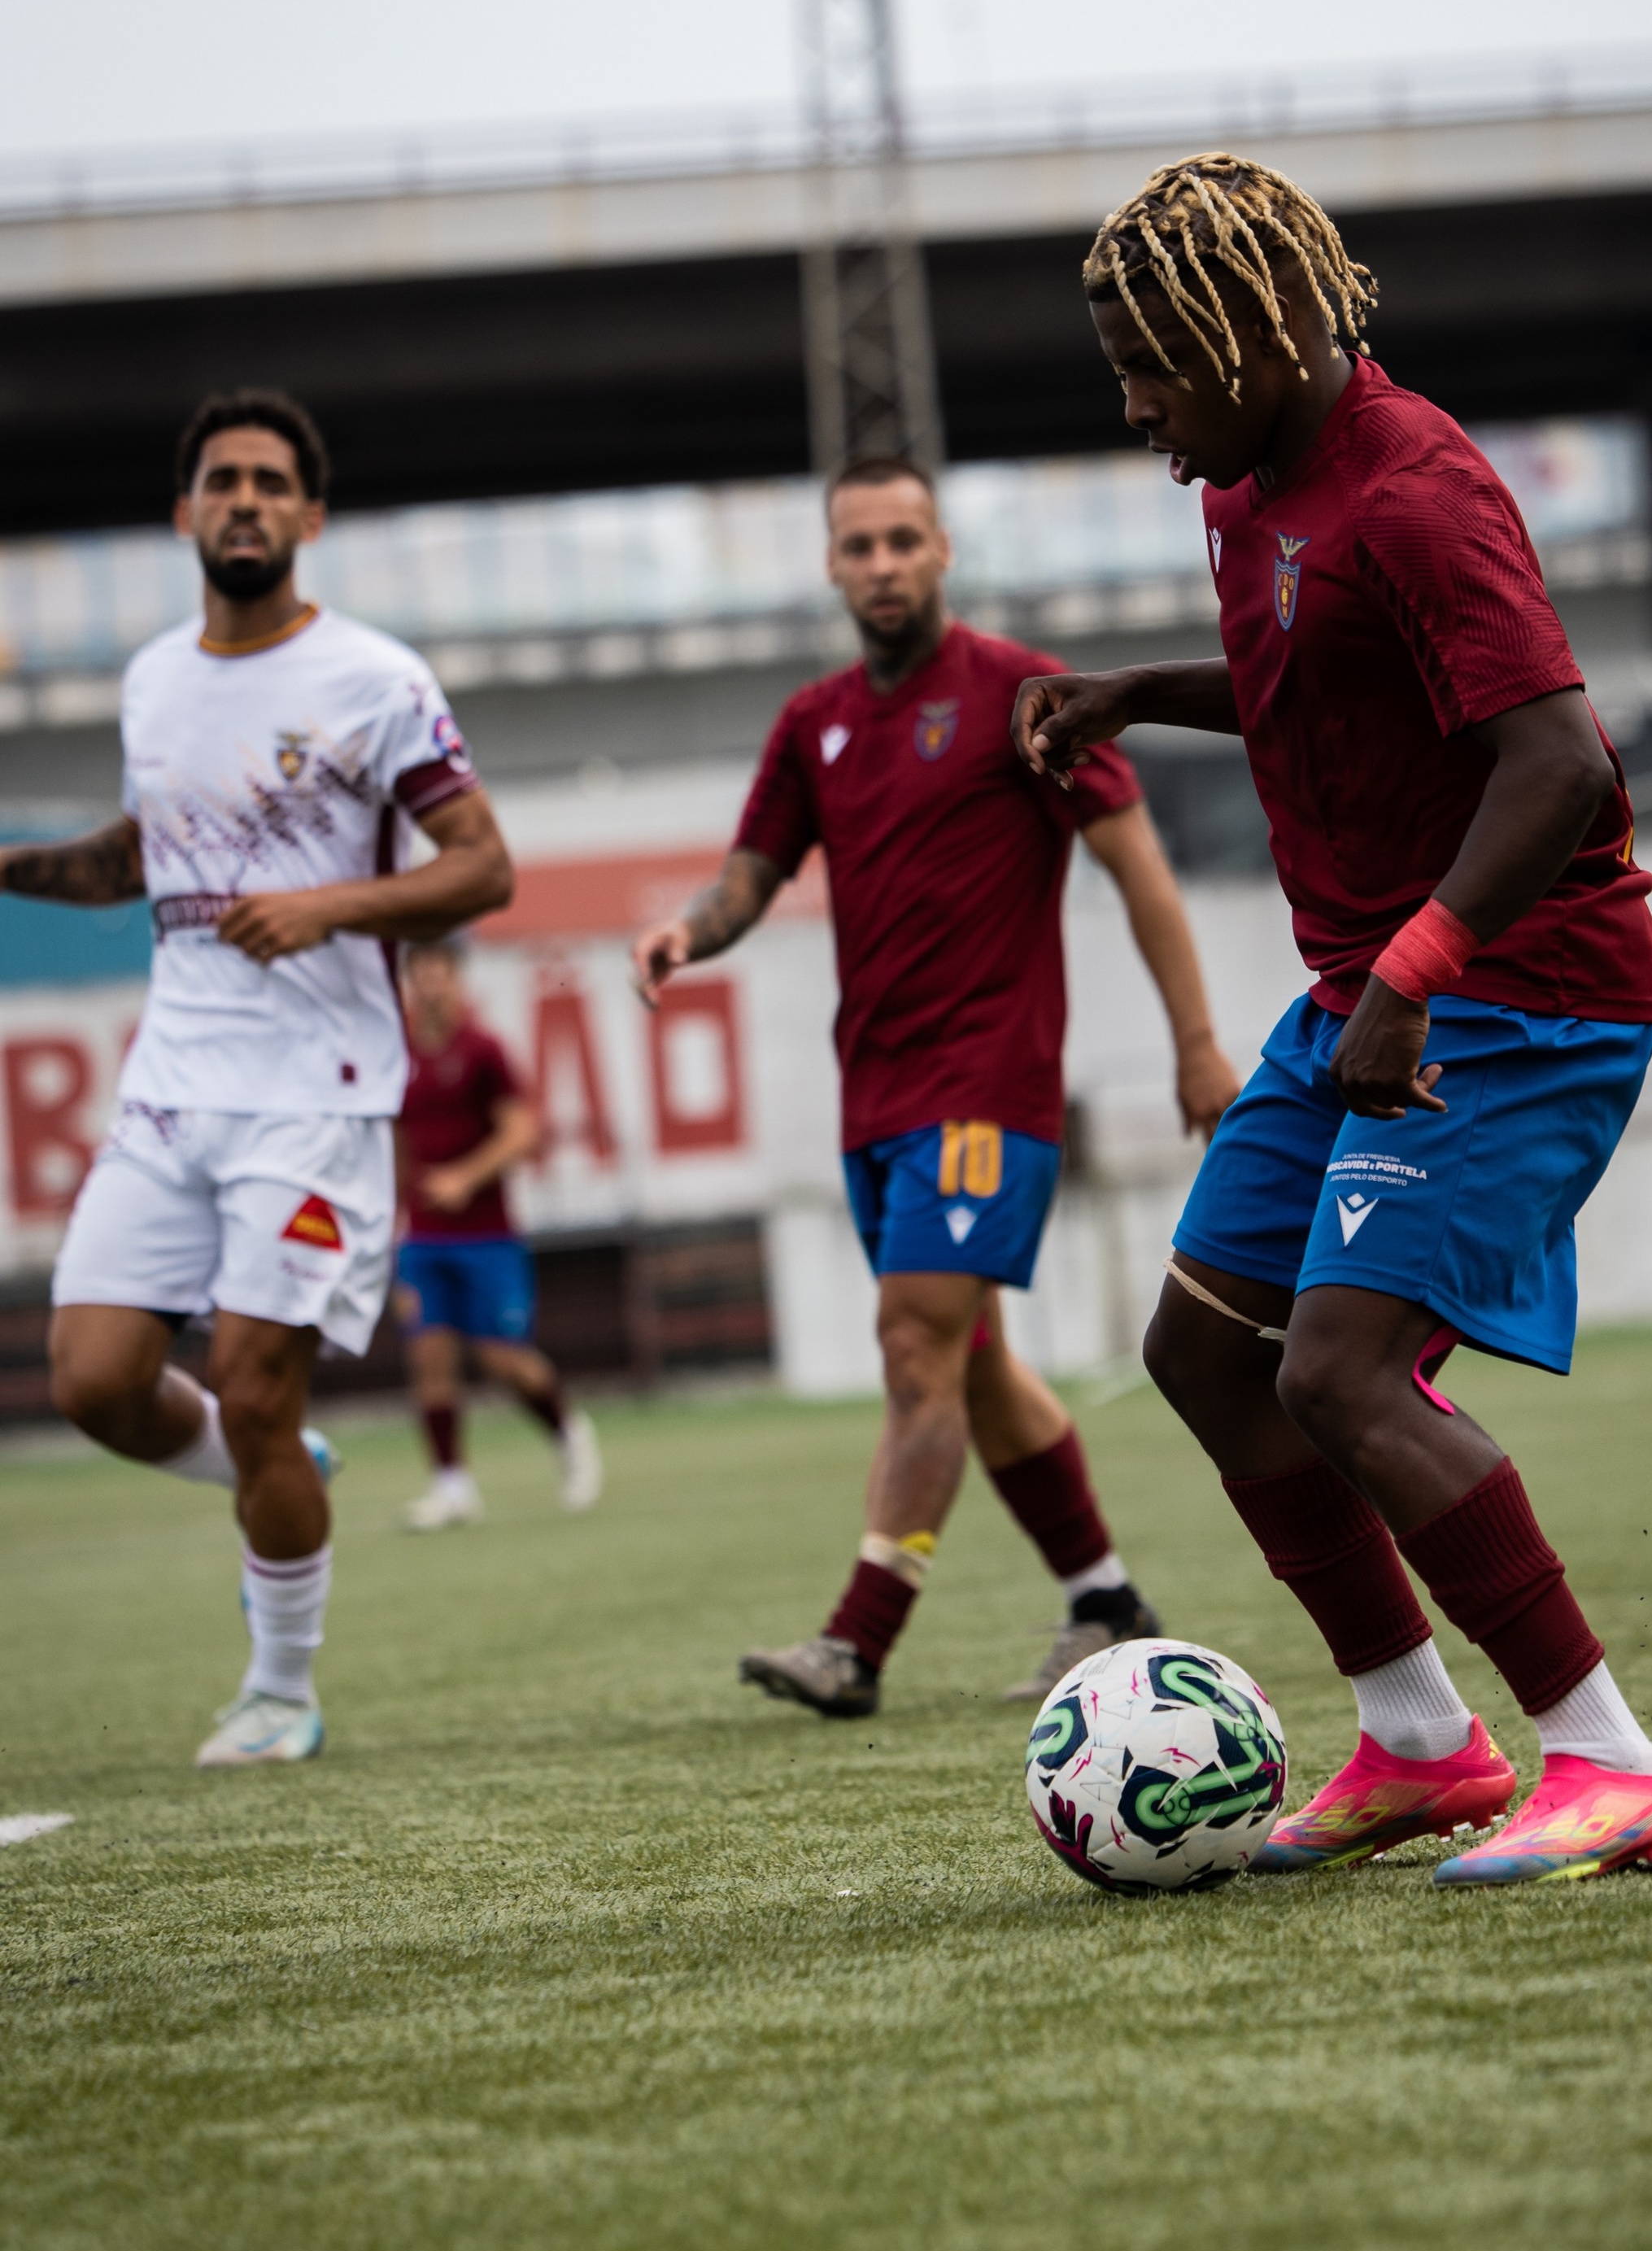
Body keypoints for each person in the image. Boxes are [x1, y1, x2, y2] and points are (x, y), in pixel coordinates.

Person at [1013, 155, 1652, 1886]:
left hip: (1517, 997)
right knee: (1199, 1354)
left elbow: (1553, 760)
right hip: (1363, 999)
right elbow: (1306, 684)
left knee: (1336, 1371)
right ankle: (1418, 1743)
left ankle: (1608, 1762)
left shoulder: (1418, 489)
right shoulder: (1249, 487)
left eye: (1154, 370)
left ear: (1251, 337)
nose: (1138, 411)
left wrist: (1414, 971)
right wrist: (1134, 696)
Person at [633, 454, 1240, 1720]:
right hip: (878, 1098)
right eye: (861, 545)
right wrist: (691, 933)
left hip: (990, 1087)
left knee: (915, 1341)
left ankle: (857, 1641)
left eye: (906, 539)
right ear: (832, 564)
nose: (884, 564)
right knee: (969, 1364)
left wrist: (1195, 1042)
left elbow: (1138, 869)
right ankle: (1105, 1599)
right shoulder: (815, 724)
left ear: (943, 550)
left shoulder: (1024, 694)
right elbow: (750, 876)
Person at [0, 386, 512, 1765]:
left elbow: (483, 864)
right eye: (221, 479)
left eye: (270, 482)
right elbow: (137, 854)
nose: (244, 499)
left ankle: (282, 1689)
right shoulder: (154, 677)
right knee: (97, 1383)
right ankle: (271, 1466)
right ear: (184, 514)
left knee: (253, 1377)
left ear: (309, 516)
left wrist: (331, 907)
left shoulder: (375, 678)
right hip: (172, 1084)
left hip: (318, 1092)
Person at [392, 936, 603, 1529]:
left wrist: (464, 1177)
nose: (431, 984)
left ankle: (567, 1431)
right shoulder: (396, 1054)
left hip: (487, 1234)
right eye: (421, 973)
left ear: (458, 979)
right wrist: (390, 1212)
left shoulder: (483, 1051)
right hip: (423, 1237)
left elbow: (522, 1132)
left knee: (503, 1360)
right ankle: (452, 1486)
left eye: (440, 971)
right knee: (429, 1353)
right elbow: (397, 1142)